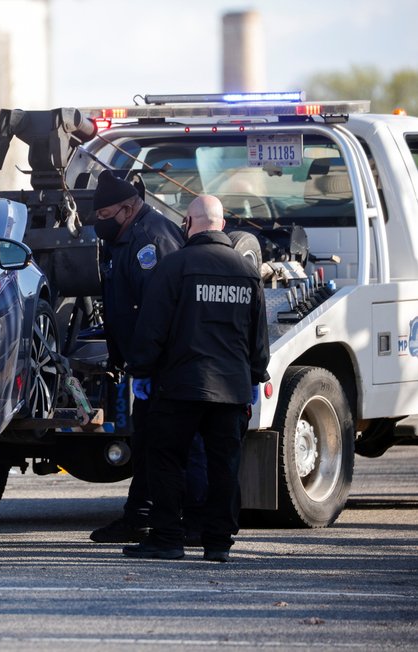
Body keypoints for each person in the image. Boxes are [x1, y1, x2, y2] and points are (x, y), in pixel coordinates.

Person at [121, 195, 270, 562]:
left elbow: (152, 328)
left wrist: (140, 370)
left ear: (189, 223)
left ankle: (168, 538)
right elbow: (258, 337)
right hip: (231, 389)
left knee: (167, 459)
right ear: (222, 225)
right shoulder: (247, 270)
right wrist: (254, 375)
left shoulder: (174, 267)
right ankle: (218, 542)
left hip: (180, 387)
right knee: (225, 466)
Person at [88, 169, 185, 543]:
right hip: (145, 362)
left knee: (165, 443)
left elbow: (161, 311)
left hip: (164, 363)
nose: (100, 224)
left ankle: (175, 521)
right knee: (147, 440)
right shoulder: (126, 237)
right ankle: (140, 515)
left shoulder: (151, 241)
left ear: (128, 209)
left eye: (104, 216)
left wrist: (149, 363)